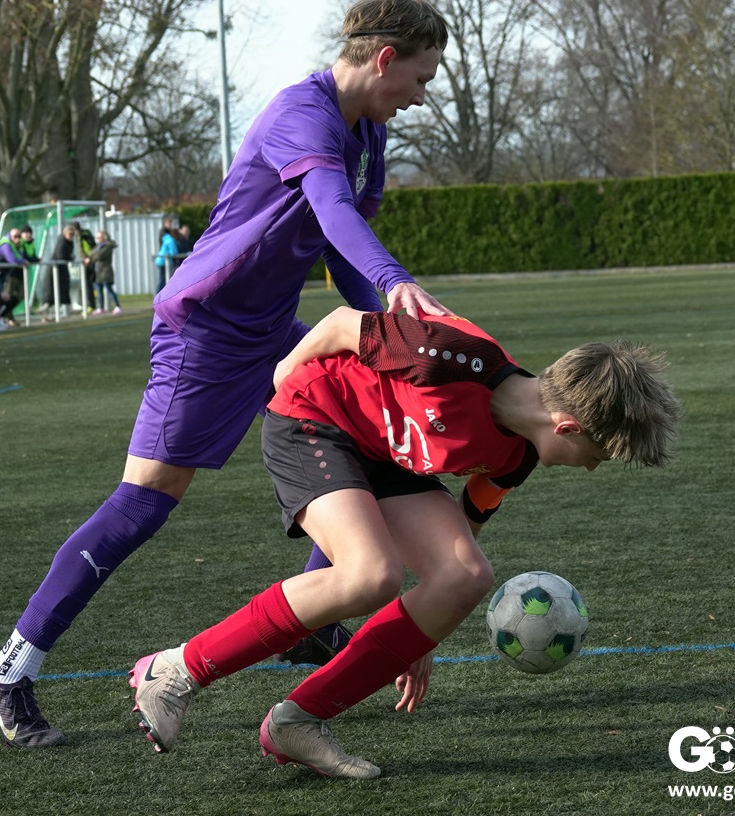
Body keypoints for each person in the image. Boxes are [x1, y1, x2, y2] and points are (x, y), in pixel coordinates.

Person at [0, 0, 452, 748]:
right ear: (385, 59)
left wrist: (382, 337)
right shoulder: (303, 111)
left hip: (272, 331)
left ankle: (314, 618)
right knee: (144, 502)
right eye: (420, 78)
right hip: (205, 330)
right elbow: (331, 210)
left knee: (366, 435)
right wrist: (395, 284)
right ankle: (7, 670)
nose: (421, 96)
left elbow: (339, 249)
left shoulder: (369, 132)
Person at [128, 307, 683, 777]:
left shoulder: (519, 455)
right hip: (315, 417)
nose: (591, 468)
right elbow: (341, 324)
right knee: (370, 575)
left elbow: (464, 532)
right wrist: (284, 378)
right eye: (596, 456)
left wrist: (423, 632)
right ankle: (177, 669)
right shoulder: (450, 355)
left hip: (384, 454)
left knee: (466, 577)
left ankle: (296, 722)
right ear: (567, 428)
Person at [39, 225, 75, 315]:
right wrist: (70, 257)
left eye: (73, 234)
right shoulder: (62, 242)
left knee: (63, 288)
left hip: (61, 269)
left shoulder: (69, 242)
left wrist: (70, 257)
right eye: (70, 234)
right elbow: (60, 256)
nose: (71, 236)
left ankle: (62, 310)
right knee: (51, 289)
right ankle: (46, 309)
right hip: (55, 269)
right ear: (65, 234)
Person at [0, 230, 31, 321]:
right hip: (1, 275)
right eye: (15, 236)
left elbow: (22, 256)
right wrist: (23, 261)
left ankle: (7, 316)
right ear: (10, 236)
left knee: (17, 296)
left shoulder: (16, 245)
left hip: (9, 274)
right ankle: (2, 317)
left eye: (19, 236)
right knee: (4, 297)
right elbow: (11, 259)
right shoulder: (6, 244)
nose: (18, 239)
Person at [89, 229, 122, 315]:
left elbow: (99, 255)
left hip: (105, 271)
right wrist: (91, 256)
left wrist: (92, 257)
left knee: (109, 289)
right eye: (97, 237)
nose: (98, 239)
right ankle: (101, 307)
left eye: (99, 237)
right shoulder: (98, 246)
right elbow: (91, 253)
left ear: (104, 237)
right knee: (99, 290)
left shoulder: (108, 246)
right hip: (98, 271)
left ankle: (117, 306)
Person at [155, 225, 179, 293]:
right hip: (164, 261)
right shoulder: (170, 240)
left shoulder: (165, 239)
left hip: (161, 260)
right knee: (164, 280)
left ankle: (159, 295)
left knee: (163, 280)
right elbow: (174, 252)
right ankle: (159, 295)